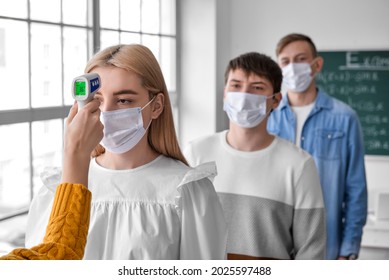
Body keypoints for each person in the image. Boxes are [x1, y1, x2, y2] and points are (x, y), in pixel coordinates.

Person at [25, 44, 227, 260]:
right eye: (98, 100)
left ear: (156, 106)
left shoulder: (186, 191)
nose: (106, 112)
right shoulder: (58, 189)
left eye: (123, 100)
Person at [185, 52, 326, 260]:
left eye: (257, 87)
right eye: (236, 85)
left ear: (276, 100)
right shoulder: (195, 153)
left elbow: (311, 251)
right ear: (225, 94)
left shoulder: (299, 165)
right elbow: (178, 230)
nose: (244, 95)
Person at [267, 33, 368, 260]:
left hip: (326, 246)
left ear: (317, 64)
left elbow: (356, 189)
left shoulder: (345, 118)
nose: (293, 67)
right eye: (285, 61)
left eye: (300, 59)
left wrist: (348, 251)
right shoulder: (267, 116)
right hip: (273, 243)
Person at [1, 100, 103, 260]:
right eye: (99, 100)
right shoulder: (49, 194)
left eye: (124, 100)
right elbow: (59, 257)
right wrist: (75, 152)